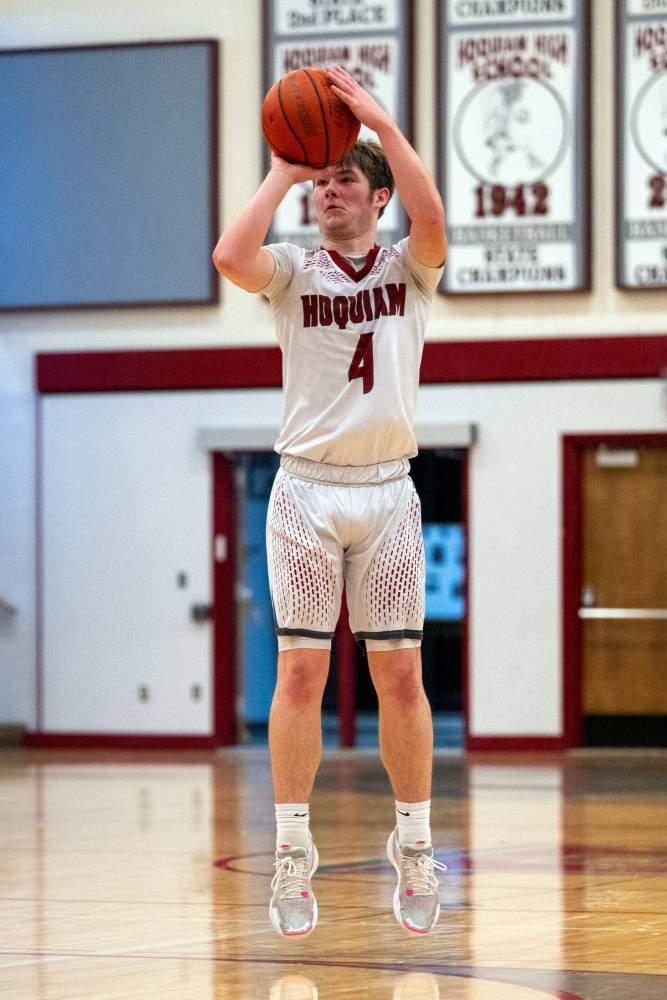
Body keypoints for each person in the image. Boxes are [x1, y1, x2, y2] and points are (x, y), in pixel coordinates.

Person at [212, 66, 448, 937]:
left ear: (376, 196)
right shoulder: (292, 271)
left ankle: (414, 844)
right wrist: (285, 167)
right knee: (301, 671)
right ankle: (290, 852)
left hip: (386, 494)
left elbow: (432, 220)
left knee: (398, 674)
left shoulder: (408, 267)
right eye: (322, 185)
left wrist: (380, 124)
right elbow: (229, 258)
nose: (327, 196)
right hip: (305, 492)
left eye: (341, 182)